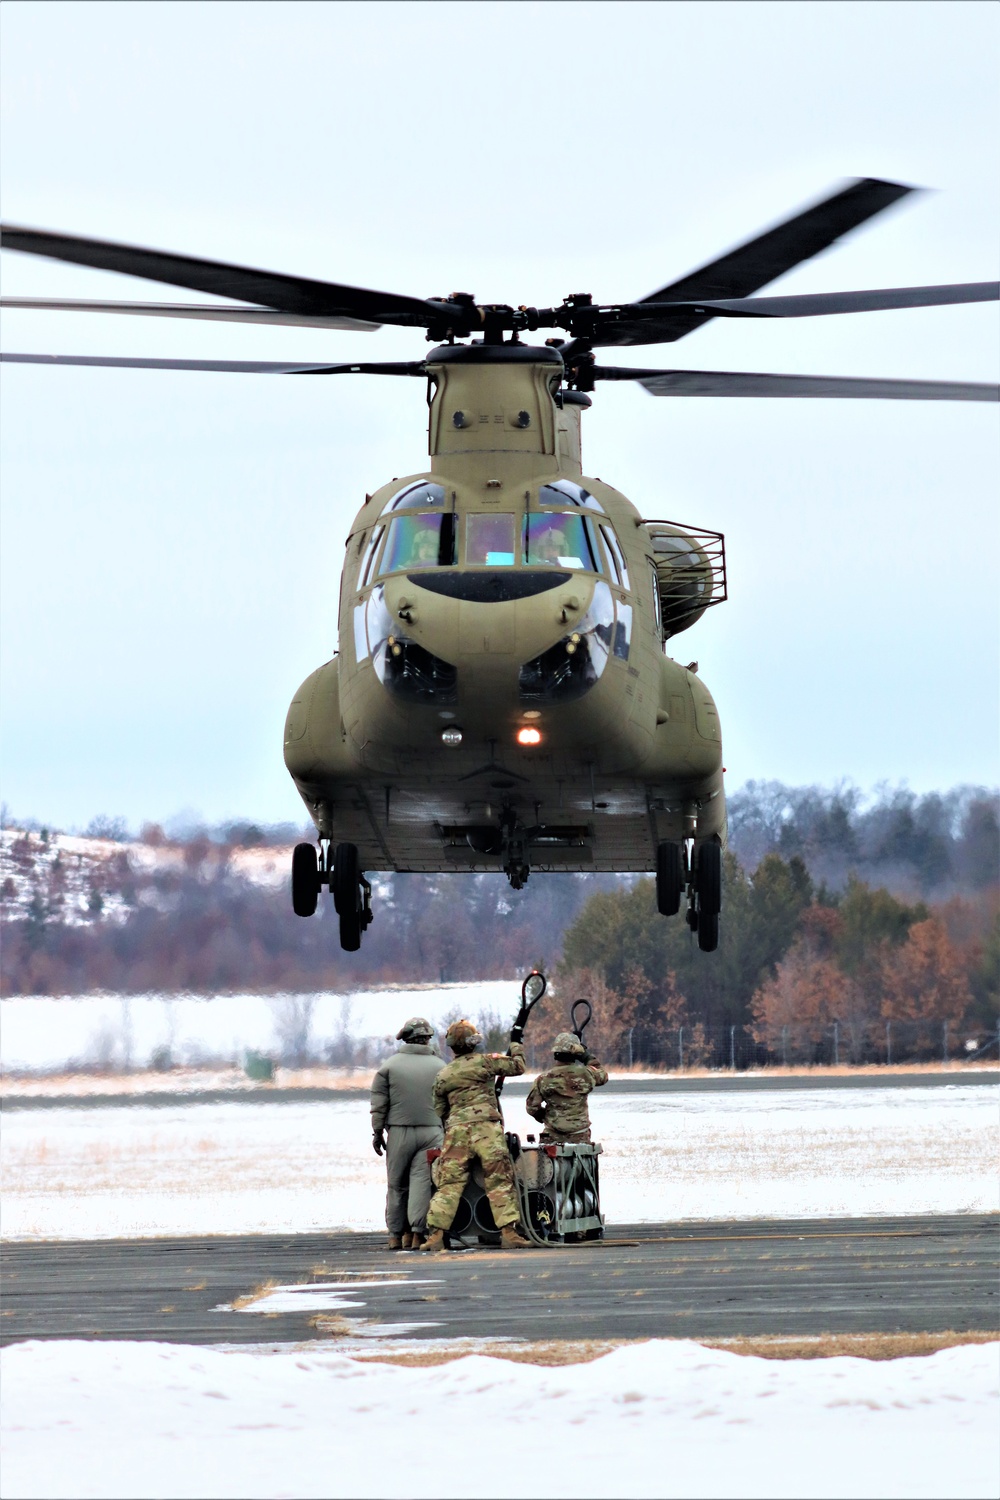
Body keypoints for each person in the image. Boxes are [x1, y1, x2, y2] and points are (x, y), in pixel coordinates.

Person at [420, 1019, 531, 1252]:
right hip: (487, 1131)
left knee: (448, 1185)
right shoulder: (487, 1063)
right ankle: (509, 1234)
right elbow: (518, 1066)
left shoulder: (443, 1074)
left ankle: (435, 1237)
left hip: (457, 1131)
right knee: (499, 1180)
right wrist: (516, 1043)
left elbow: (439, 1109)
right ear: (474, 1043)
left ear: (451, 1046)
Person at [370, 1016, 445, 1250]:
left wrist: (377, 1131)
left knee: (396, 1184)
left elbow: (379, 1103)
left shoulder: (389, 1067)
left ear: (406, 1038)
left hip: (399, 1132)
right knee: (423, 1183)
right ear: (427, 1039)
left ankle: (395, 1235)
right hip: (433, 1131)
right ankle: (416, 1234)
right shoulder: (441, 1067)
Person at [525, 1032, 609, 1143]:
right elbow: (603, 1075)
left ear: (555, 1053)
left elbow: (532, 1107)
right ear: (576, 1054)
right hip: (580, 1135)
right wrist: (586, 1056)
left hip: (552, 1135)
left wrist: (547, 1117)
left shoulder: (543, 1079)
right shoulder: (587, 1074)